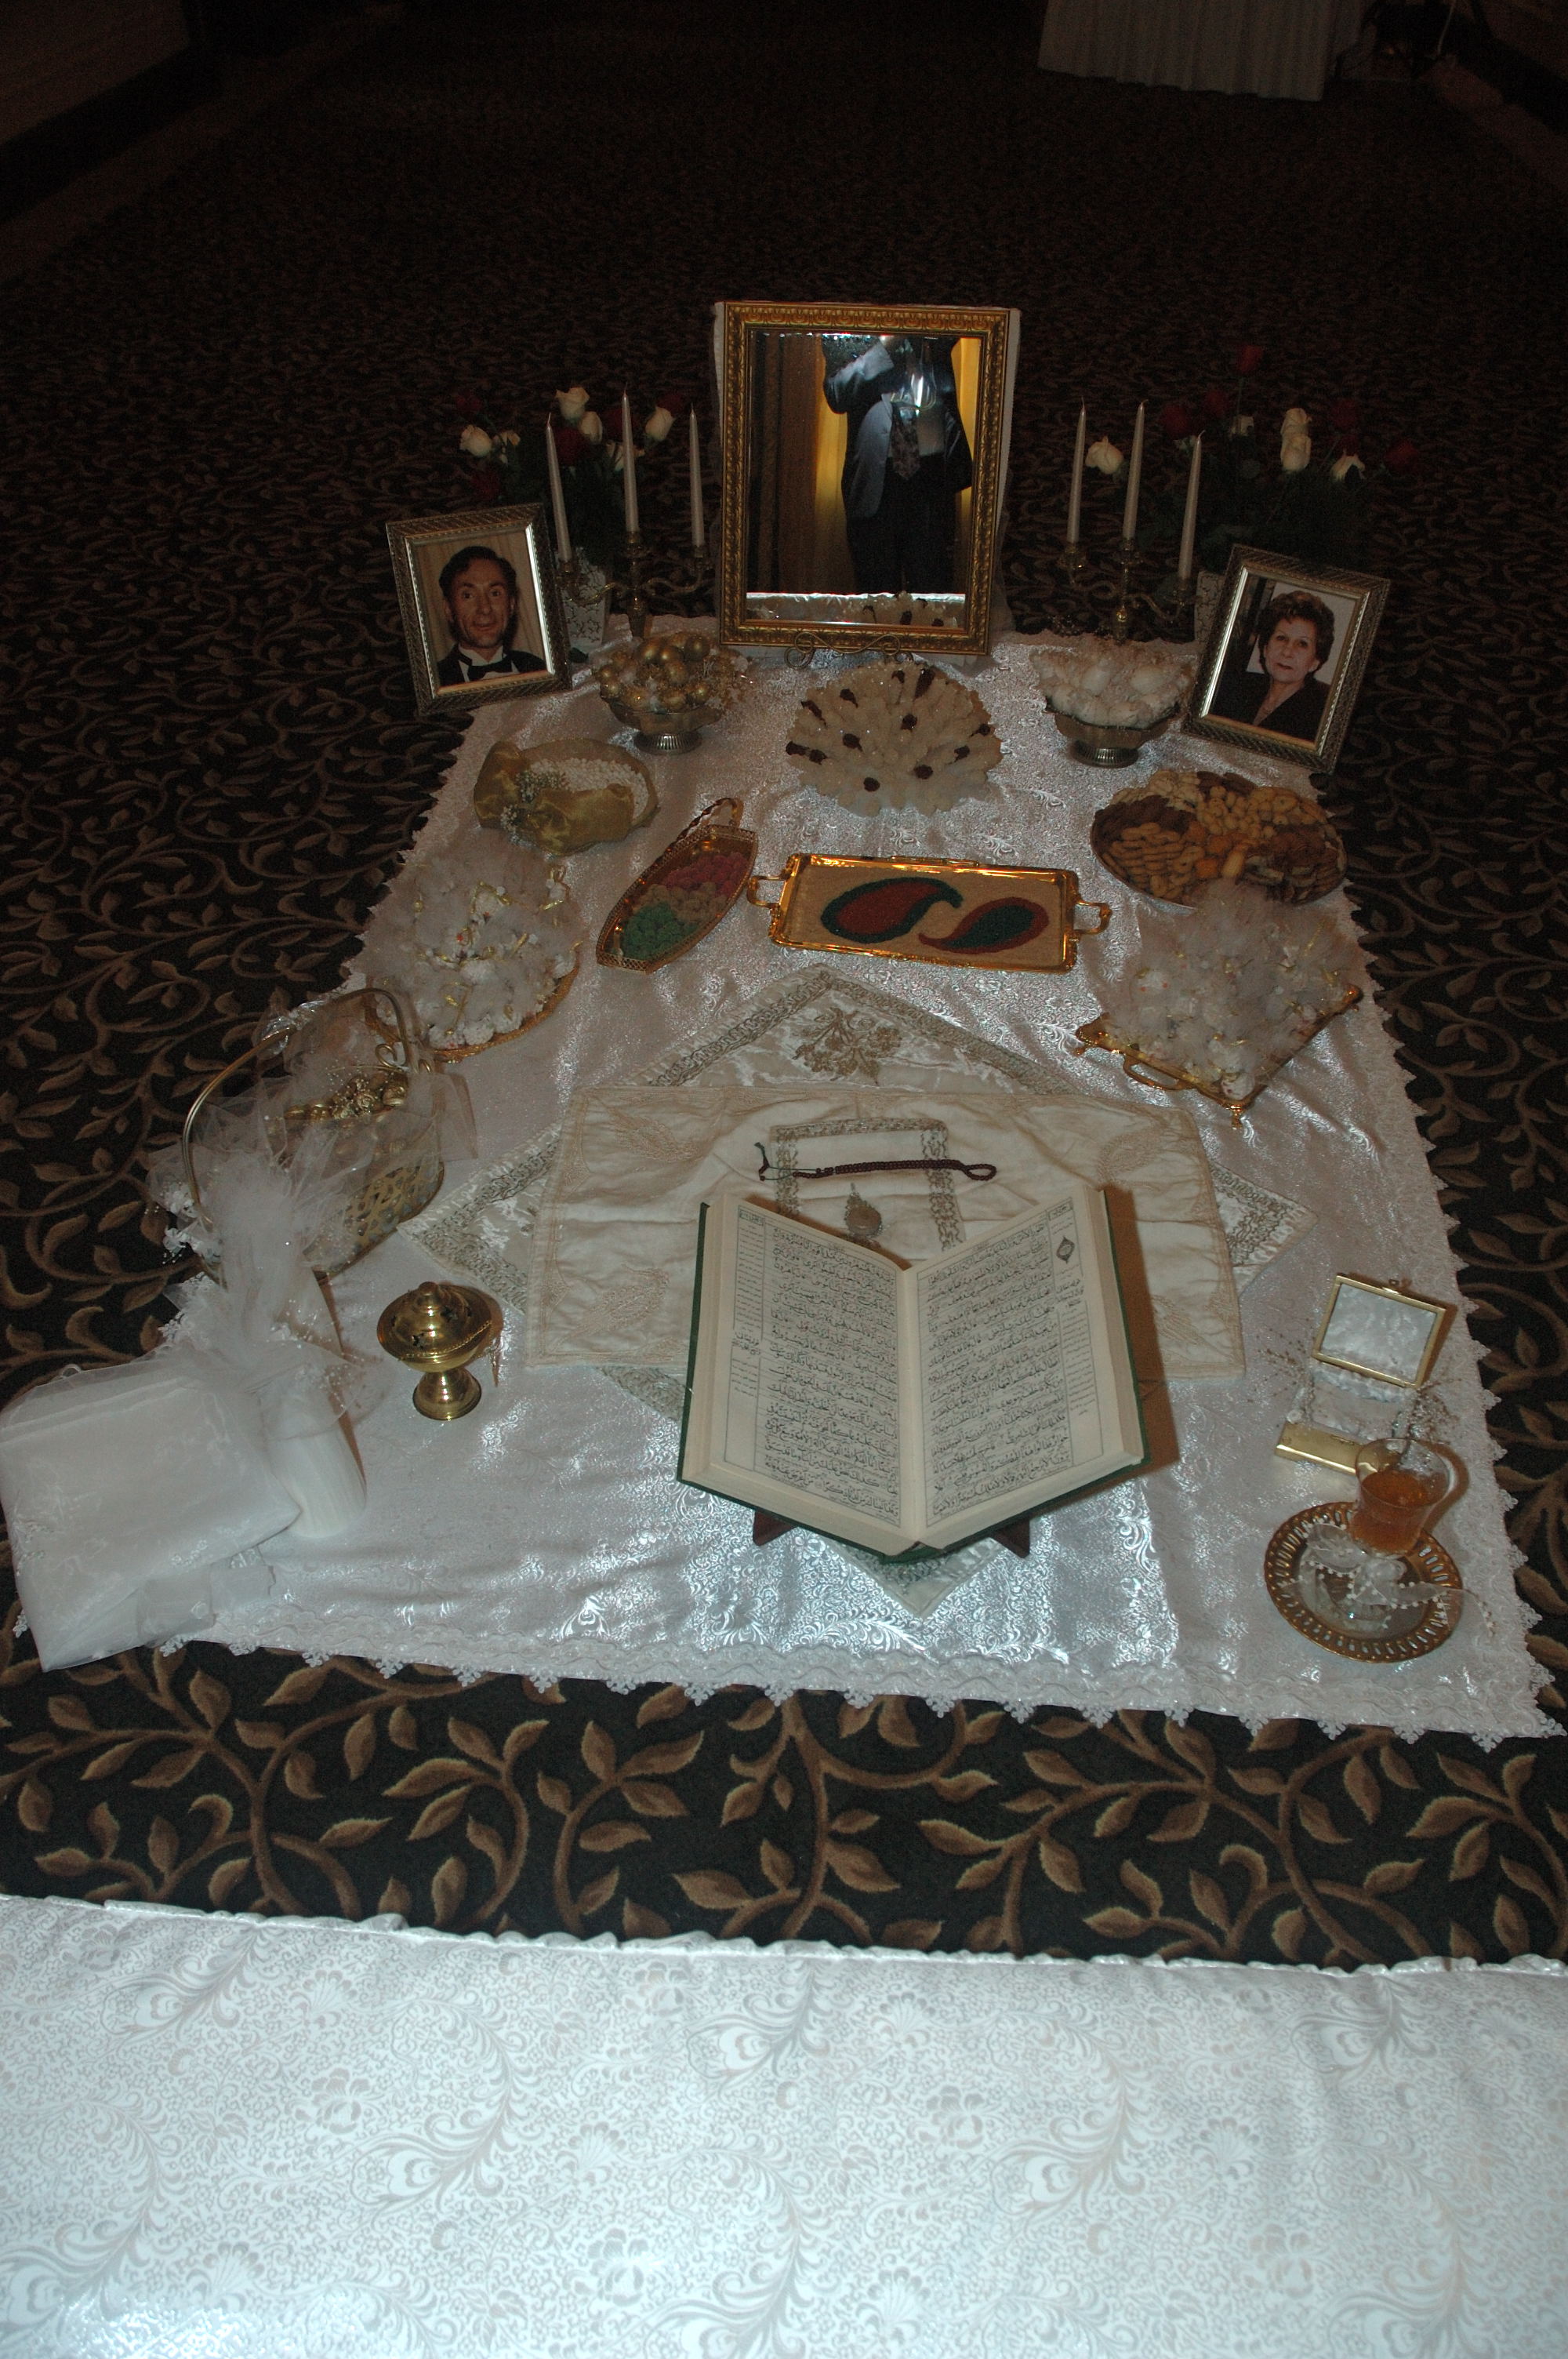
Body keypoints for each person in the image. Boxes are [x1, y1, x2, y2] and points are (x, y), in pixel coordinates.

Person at [821, 333, 973, 597]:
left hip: (932, 477)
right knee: (876, 596)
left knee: (933, 593)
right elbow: (837, 392)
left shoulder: (931, 334)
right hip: (877, 483)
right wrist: (885, 347)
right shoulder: (852, 328)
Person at [1210, 587, 1336, 743]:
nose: (1287, 652)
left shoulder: (1320, 718)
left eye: (1302, 644)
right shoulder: (1236, 688)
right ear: (1265, 648)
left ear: (1315, 661)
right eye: (1281, 638)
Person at [434, 545, 545, 685]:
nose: (485, 609)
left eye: (495, 593)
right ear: (449, 609)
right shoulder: (432, 683)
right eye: (468, 596)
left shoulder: (538, 669)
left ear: (511, 604)